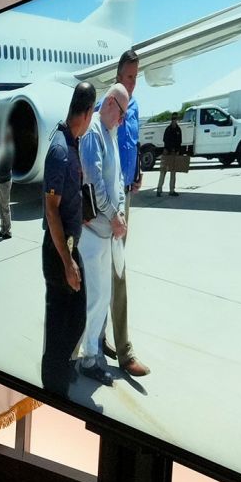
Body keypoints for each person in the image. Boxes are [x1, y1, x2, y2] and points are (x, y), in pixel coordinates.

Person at [41, 82, 95, 397]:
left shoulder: (72, 141)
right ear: (87, 113)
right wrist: (67, 262)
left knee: (71, 317)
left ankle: (60, 371)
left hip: (69, 247)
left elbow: (67, 196)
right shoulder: (61, 150)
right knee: (64, 320)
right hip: (60, 251)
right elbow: (51, 210)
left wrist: (80, 212)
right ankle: (55, 387)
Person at [78, 84, 129, 387]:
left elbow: (118, 180)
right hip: (93, 233)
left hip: (107, 231)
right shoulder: (93, 133)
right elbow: (93, 182)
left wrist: (120, 212)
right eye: (121, 113)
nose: (122, 120)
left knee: (103, 295)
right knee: (94, 297)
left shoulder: (110, 133)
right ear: (110, 103)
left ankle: (93, 351)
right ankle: (88, 358)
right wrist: (113, 215)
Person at [103, 50, 150, 377]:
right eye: (129, 77)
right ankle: (124, 352)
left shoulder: (134, 106)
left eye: (136, 76)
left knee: (112, 269)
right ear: (119, 76)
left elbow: (129, 144)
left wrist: (136, 173)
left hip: (125, 196)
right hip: (110, 202)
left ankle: (99, 336)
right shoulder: (108, 104)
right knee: (116, 272)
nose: (133, 83)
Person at [0, 126, 15, 239]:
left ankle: (7, 230)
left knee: (5, 206)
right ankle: (3, 227)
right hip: (0, 179)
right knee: (0, 205)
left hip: (5, 180)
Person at [157, 112, 182, 197]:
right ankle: (159, 189)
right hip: (167, 152)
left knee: (173, 173)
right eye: (173, 118)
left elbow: (179, 142)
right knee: (163, 172)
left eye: (175, 118)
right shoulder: (168, 129)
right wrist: (169, 149)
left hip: (174, 154)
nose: (174, 120)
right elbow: (165, 140)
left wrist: (177, 151)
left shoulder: (178, 129)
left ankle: (172, 190)